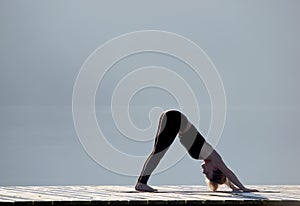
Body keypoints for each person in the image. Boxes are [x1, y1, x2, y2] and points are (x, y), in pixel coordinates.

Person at [135, 110, 258, 192]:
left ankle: (141, 183)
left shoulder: (209, 158)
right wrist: (243, 188)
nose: (203, 171)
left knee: (157, 153)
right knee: (158, 153)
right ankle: (141, 184)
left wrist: (233, 188)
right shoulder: (215, 158)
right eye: (207, 173)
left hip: (171, 117)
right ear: (215, 168)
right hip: (175, 119)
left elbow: (223, 176)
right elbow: (227, 172)